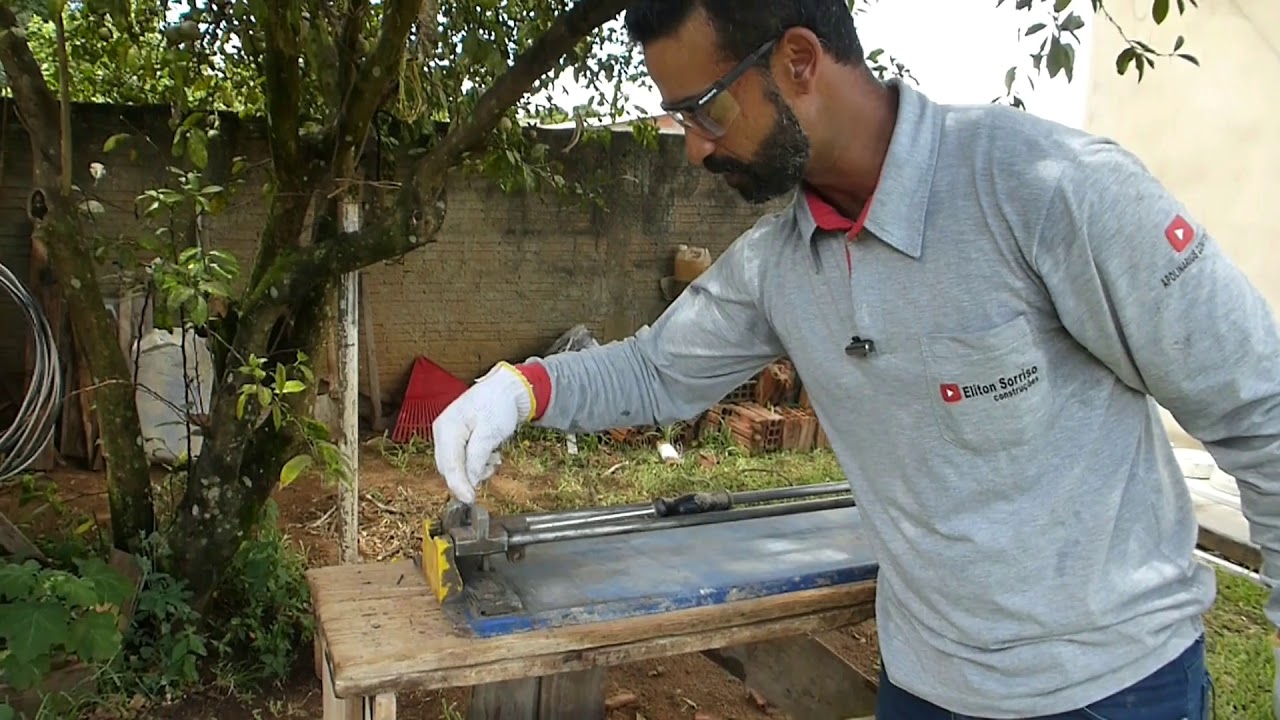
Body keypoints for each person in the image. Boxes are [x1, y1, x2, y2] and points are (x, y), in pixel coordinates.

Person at [432, 1, 1280, 718]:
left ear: (799, 60)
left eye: (707, 109)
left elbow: (1259, 405)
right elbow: (656, 370)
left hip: (1116, 689)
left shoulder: (1048, 191)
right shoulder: (780, 263)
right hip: (924, 687)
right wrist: (520, 388)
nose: (693, 145)